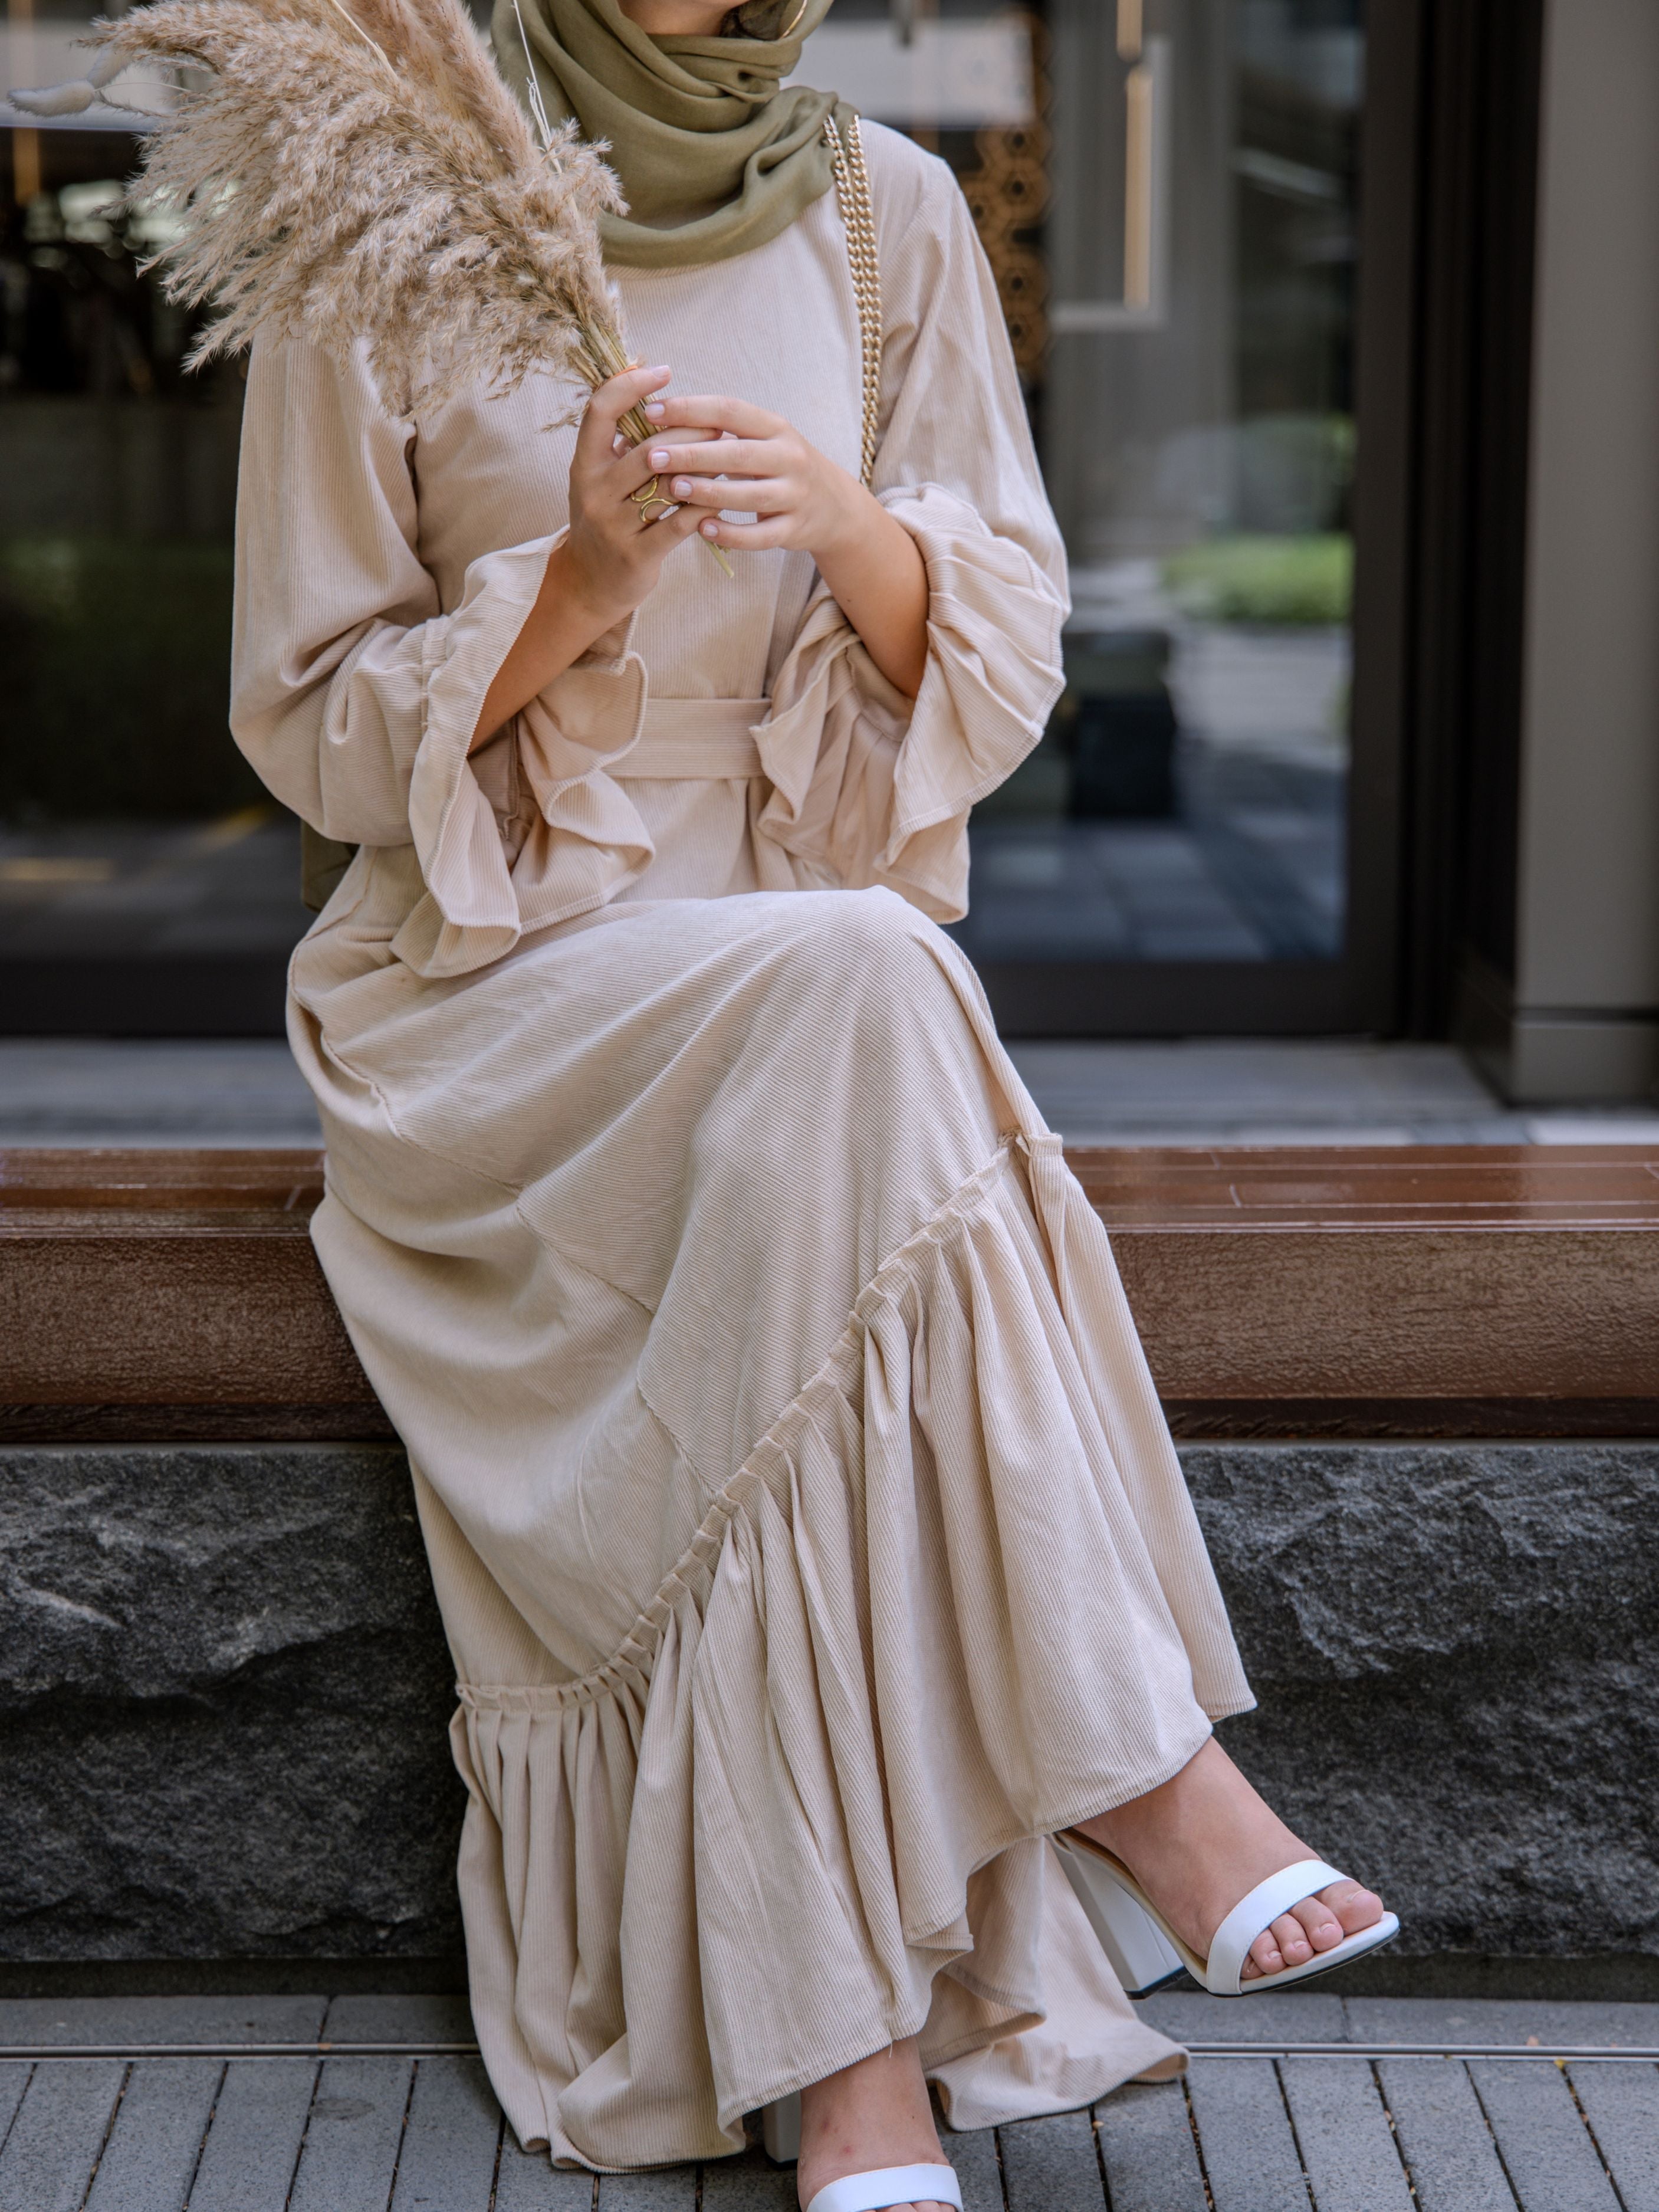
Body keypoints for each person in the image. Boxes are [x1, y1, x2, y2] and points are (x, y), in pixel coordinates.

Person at [229, 0, 1394, 2204]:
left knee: (852, 1019)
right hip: (490, 995)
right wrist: (585, 582)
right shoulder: (386, 208)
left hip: (795, 975)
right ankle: (1143, 1778)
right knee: (876, 981)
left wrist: (857, 529)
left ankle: (846, 2068)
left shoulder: (888, 205)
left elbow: (1009, 637)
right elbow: (301, 715)